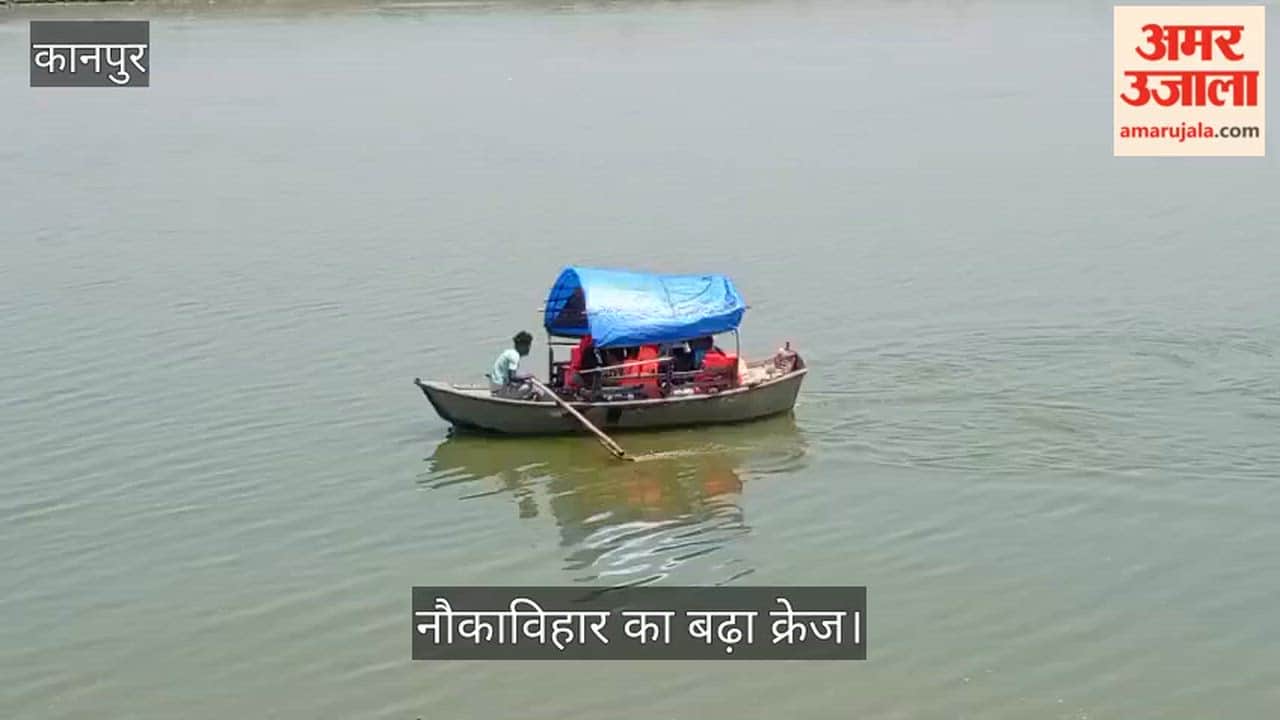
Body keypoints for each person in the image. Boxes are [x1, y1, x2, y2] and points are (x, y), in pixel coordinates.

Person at [489, 331, 537, 399]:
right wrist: (527, 376)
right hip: (500, 389)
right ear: (521, 345)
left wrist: (523, 378)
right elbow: (512, 377)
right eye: (528, 345)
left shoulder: (509, 352)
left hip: (496, 387)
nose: (529, 348)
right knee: (530, 387)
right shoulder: (515, 356)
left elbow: (510, 377)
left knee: (523, 377)